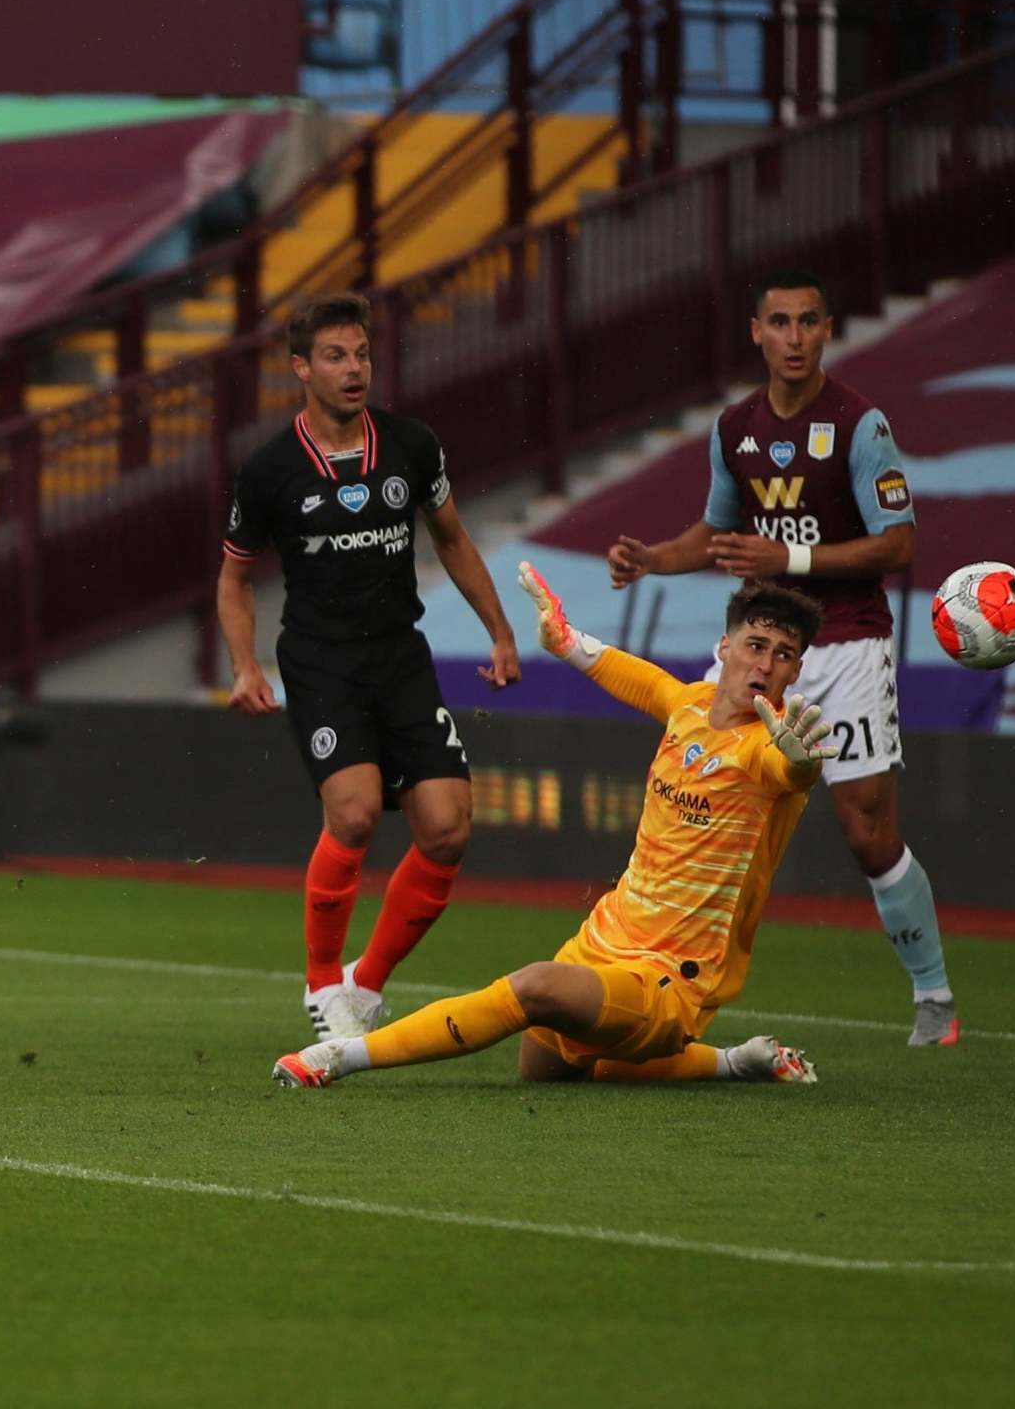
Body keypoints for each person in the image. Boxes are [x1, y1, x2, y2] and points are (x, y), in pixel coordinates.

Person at [274, 564, 822, 1090]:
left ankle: (342, 1057)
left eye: (784, 655)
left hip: (670, 980)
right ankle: (734, 1062)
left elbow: (791, 772)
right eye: (755, 645)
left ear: (796, 672)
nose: (766, 664)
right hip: (604, 940)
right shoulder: (690, 706)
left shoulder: (766, 752)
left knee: (532, 986)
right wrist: (562, 638)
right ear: (724, 649)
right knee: (546, 1070)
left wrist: (802, 762)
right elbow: (633, 675)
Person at [604, 268, 957, 1047]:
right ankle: (664, 977)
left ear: (828, 330)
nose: (794, 338)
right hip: (763, 653)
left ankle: (933, 995)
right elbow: (717, 533)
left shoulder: (862, 427)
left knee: (866, 832)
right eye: (780, 323)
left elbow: (899, 542)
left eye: (808, 323)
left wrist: (788, 557)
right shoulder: (735, 427)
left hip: (849, 645)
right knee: (704, 809)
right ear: (757, 334)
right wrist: (654, 558)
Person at [219, 290, 522, 1045]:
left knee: (448, 827)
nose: (353, 369)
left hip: (399, 655)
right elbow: (234, 577)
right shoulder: (269, 470)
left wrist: (500, 631)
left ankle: (367, 982)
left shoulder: (411, 445)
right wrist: (245, 665)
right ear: (301, 369)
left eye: (361, 354)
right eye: (334, 356)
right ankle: (322, 985)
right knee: (352, 812)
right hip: (321, 661)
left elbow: (451, 538)